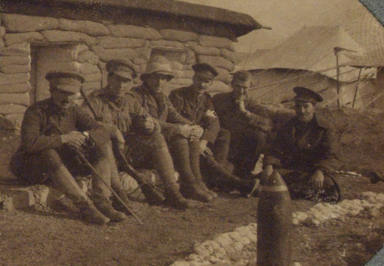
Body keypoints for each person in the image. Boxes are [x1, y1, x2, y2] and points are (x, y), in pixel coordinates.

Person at [9, 70, 127, 225]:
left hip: (59, 168)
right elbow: (29, 144)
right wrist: (64, 139)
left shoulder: (74, 110)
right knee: (48, 152)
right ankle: (85, 208)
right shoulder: (36, 111)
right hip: (32, 168)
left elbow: (100, 130)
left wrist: (85, 136)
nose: (67, 99)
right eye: (62, 93)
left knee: (100, 147)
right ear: (52, 91)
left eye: (72, 94)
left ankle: (102, 202)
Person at [84, 59, 195, 210]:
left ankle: (172, 191)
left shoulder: (130, 100)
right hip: (102, 154)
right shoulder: (94, 100)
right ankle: (118, 195)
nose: (121, 85)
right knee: (105, 142)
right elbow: (84, 124)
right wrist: (111, 129)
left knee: (156, 138)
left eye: (126, 81)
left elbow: (150, 120)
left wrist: (149, 125)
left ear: (131, 83)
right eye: (118, 79)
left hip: (125, 151)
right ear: (109, 78)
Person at [132, 56, 215, 202]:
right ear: (147, 78)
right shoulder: (136, 95)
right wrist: (179, 129)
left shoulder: (162, 97)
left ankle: (196, 181)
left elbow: (174, 115)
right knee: (180, 137)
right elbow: (148, 120)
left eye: (164, 78)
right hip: (141, 145)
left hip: (158, 145)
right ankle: (189, 183)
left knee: (191, 135)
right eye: (156, 77)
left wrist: (194, 127)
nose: (160, 82)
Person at [168, 63, 259, 197]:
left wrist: (204, 141)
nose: (202, 84)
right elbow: (172, 118)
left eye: (206, 82)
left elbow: (213, 122)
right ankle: (239, 184)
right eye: (199, 79)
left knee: (224, 134)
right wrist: (195, 131)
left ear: (211, 84)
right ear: (193, 78)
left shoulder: (206, 99)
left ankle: (219, 178)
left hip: (197, 140)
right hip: (180, 140)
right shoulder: (178, 95)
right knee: (203, 153)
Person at [262, 86, 342, 201]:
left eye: (306, 106)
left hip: (312, 172)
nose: (301, 111)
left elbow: (333, 155)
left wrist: (320, 171)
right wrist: (269, 166)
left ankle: (288, 191)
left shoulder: (325, 129)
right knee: (268, 178)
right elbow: (274, 150)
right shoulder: (287, 127)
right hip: (289, 171)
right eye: (298, 106)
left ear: (313, 108)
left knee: (329, 187)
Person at [211, 70, 273, 179]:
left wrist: (245, 113)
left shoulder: (253, 104)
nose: (241, 91)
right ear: (232, 84)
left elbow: (267, 125)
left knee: (259, 136)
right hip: (220, 143)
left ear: (250, 87)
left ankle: (244, 173)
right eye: (238, 86)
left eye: (245, 87)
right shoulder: (219, 99)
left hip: (241, 150)